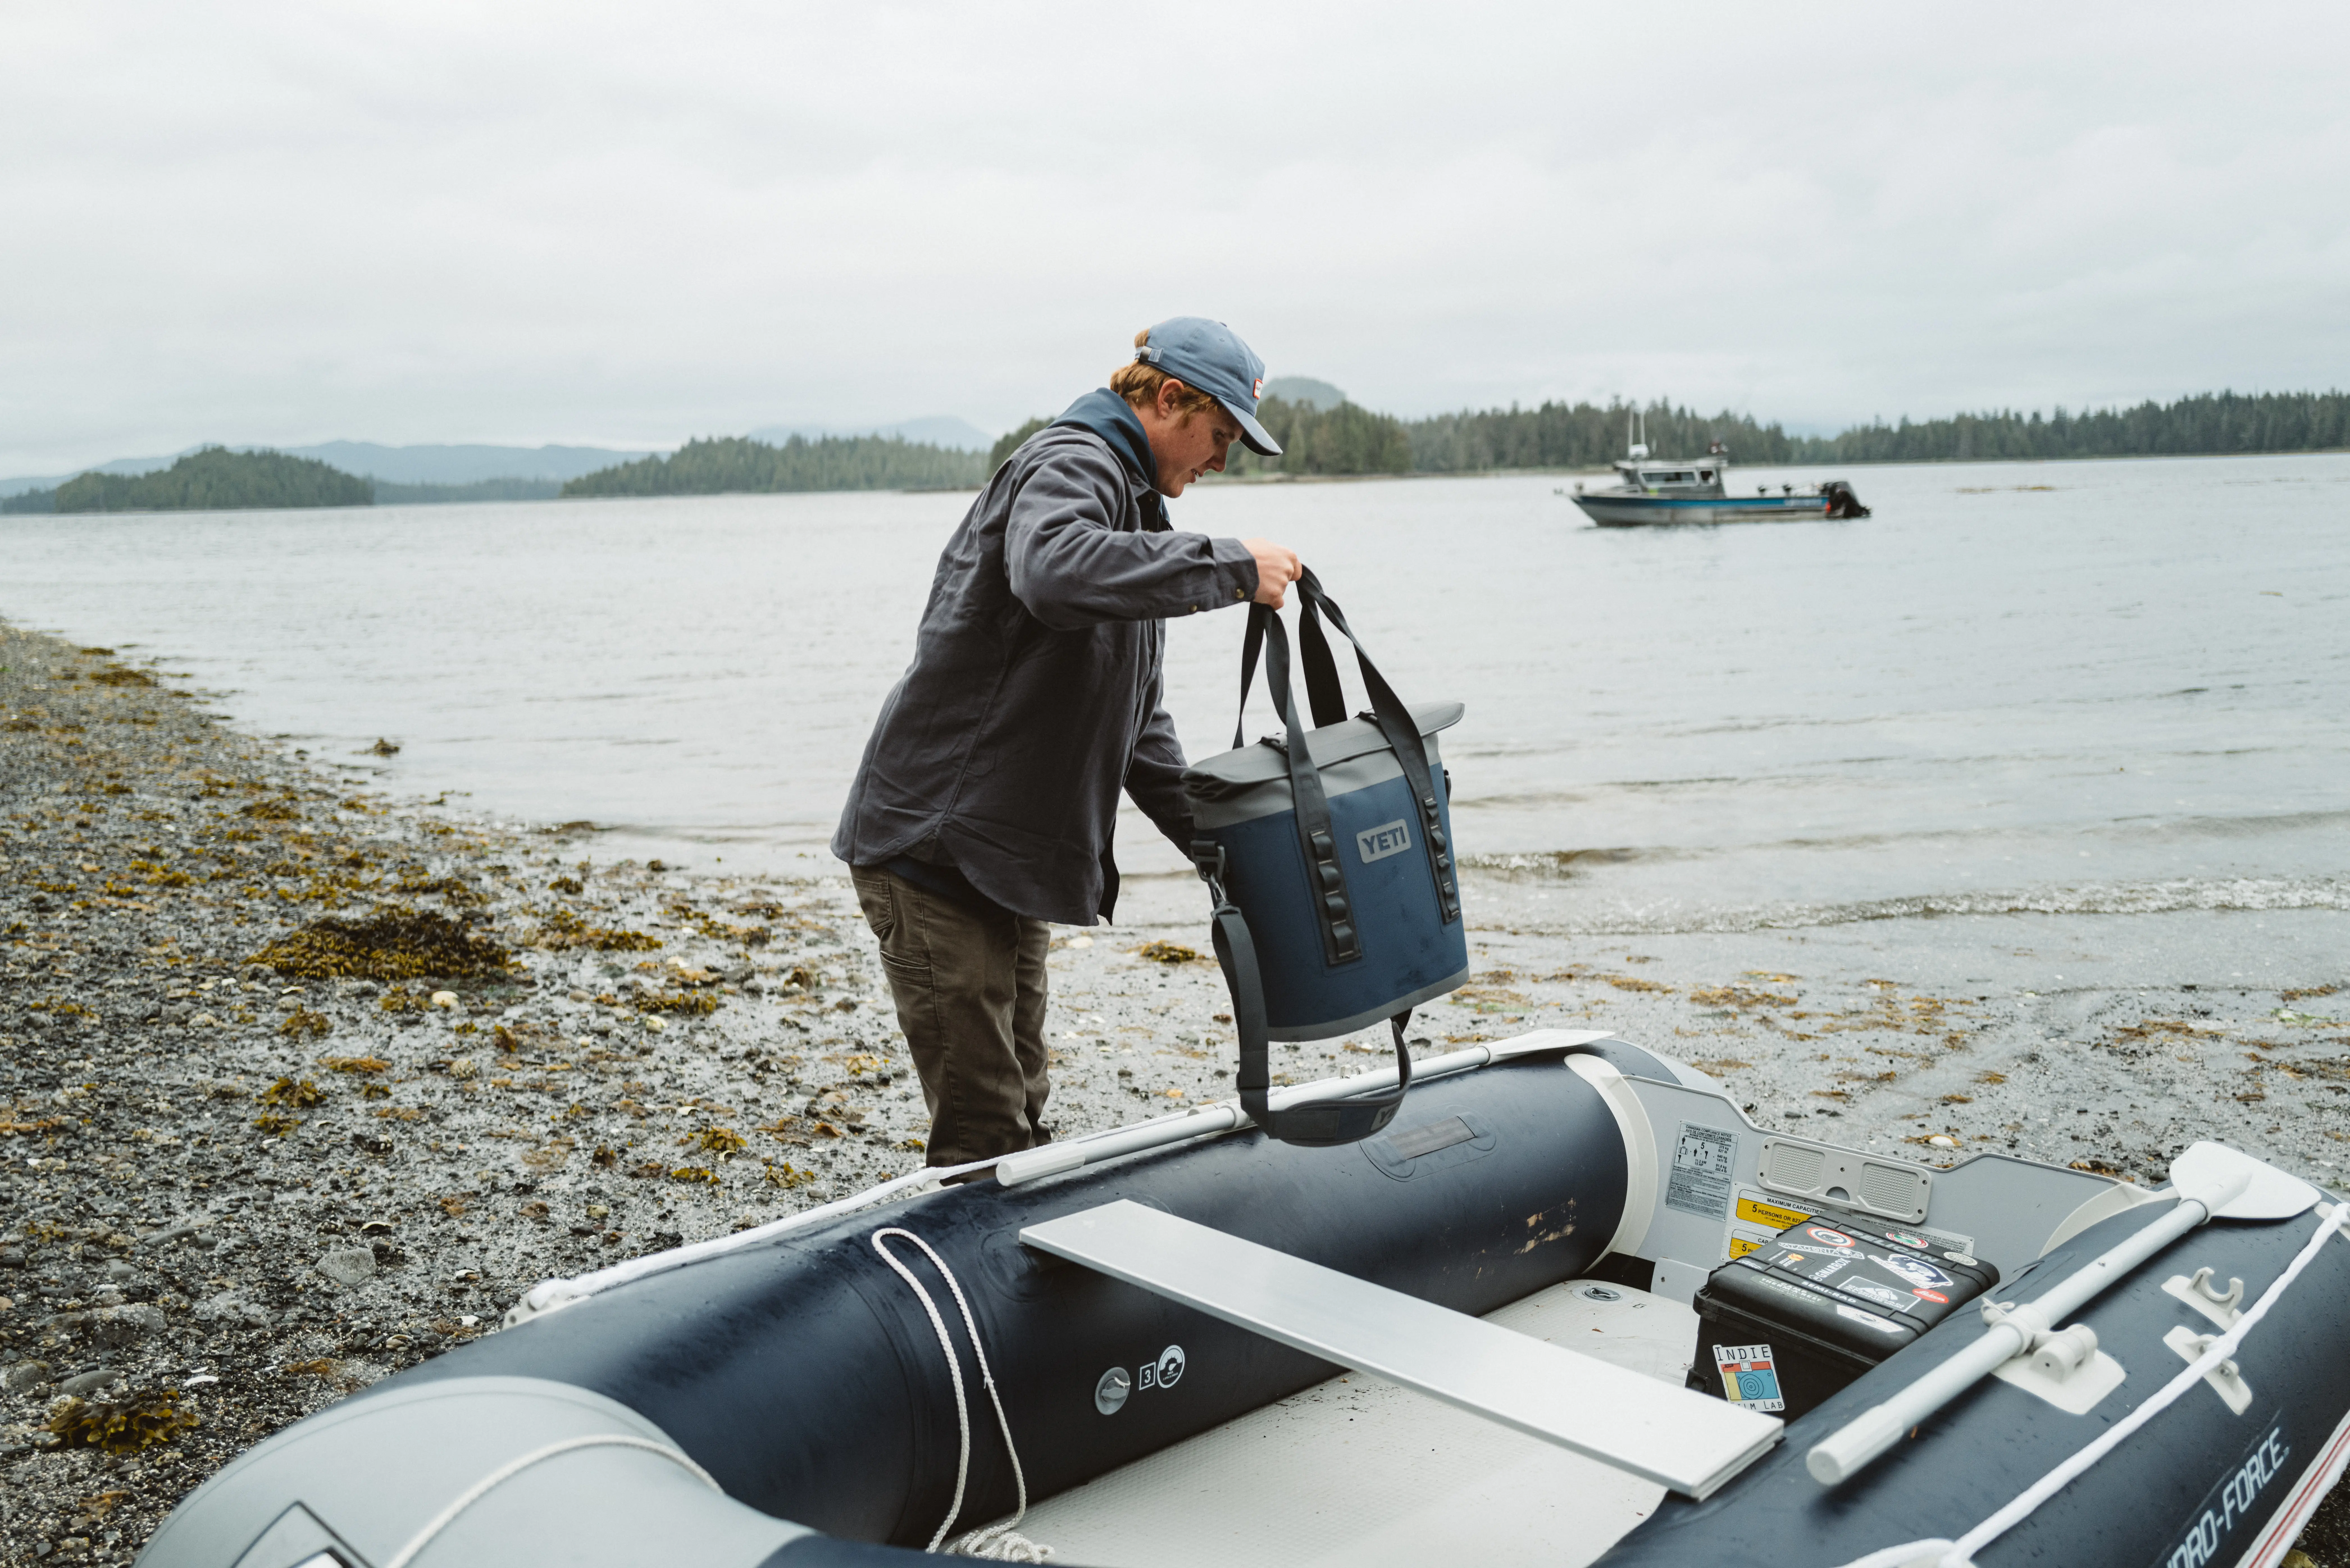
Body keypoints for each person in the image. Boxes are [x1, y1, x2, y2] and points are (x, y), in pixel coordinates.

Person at [832, 318, 1302, 1166]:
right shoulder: (1073, 462)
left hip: (1002, 865)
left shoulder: (1133, 507)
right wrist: (1232, 568)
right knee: (985, 1123)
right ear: (1168, 400)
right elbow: (1051, 571)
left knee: (1023, 1099)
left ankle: (1023, 1258)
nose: (1221, 460)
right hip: (934, 856)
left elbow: (1137, 726)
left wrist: (1230, 854)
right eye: (1220, 436)